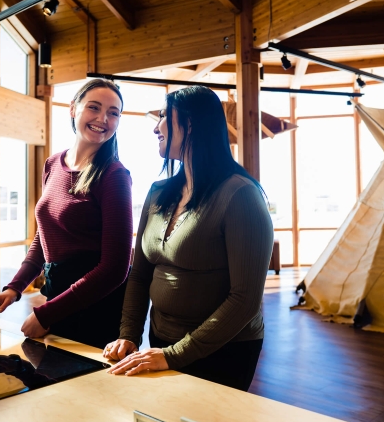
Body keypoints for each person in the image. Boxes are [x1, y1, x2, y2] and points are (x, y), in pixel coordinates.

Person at [103, 85, 273, 391]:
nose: (156, 127)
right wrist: (128, 334)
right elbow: (140, 274)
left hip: (225, 350)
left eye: (166, 116)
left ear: (191, 124)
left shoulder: (241, 195)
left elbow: (245, 300)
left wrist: (175, 355)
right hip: (162, 341)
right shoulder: (158, 192)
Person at [0, 79, 133, 349]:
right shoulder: (53, 163)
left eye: (113, 113)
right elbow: (44, 237)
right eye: (94, 108)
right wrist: (15, 288)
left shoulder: (114, 176)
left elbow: (115, 269)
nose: (103, 119)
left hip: (96, 303)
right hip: (58, 293)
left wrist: (45, 313)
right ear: (73, 109)